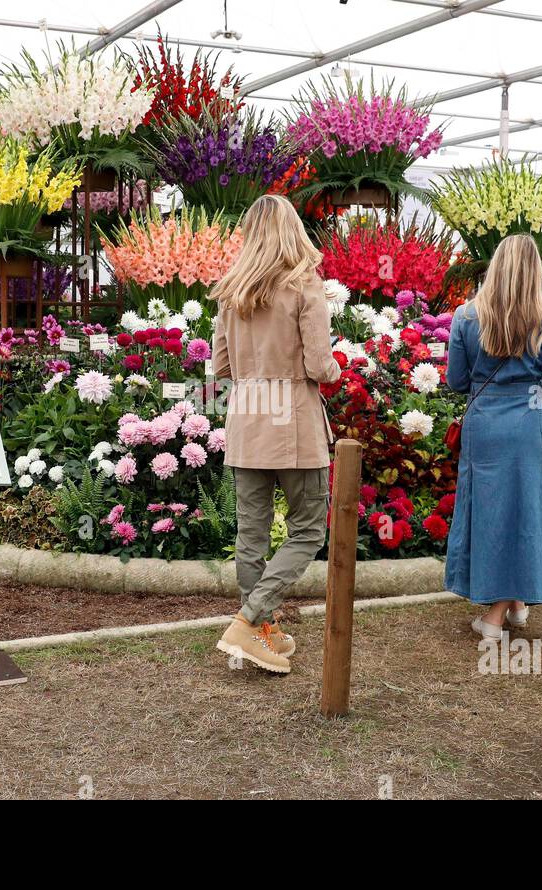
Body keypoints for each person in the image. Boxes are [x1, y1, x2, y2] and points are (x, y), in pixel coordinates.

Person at [210, 194, 341, 675]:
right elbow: (319, 367)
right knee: (307, 529)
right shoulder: (305, 287)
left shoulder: (231, 292)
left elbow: (220, 366)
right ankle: (248, 622)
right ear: (293, 231)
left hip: (247, 418)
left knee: (252, 535)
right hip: (292, 422)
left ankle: (260, 629)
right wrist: (338, 369)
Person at [445, 233, 542, 640]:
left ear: (495, 267)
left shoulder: (466, 316)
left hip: (484, 423)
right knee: (525, 513)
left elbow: (456, 380)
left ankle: (500, 611)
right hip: (527, 424)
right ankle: (510, 607)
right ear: (535, 272)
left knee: (490, 513)